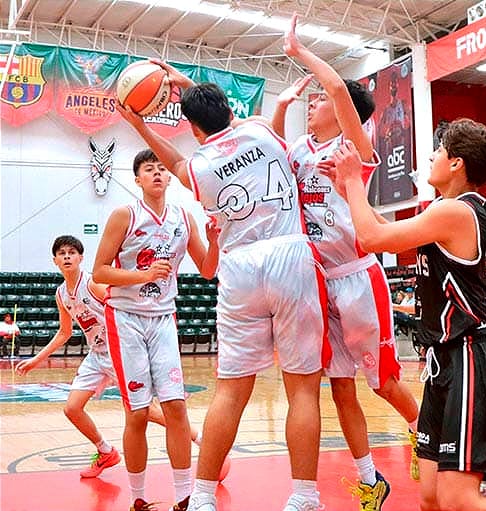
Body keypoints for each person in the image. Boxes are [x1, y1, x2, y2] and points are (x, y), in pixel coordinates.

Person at [119, 63, 329, 511]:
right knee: (303, 390)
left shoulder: (197, 166)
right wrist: (190, 85)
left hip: (240, 268)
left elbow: (174, 160)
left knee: (232, 390)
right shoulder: (260, 130)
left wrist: (139, 124)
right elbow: (223, 117)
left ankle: (202, 497)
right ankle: (304, 497)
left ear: (193, 129)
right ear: (227, 109)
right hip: (289, 255)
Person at [328, 119, 486, 511]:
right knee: (431, 498)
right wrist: (348, 193)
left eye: (437, 152)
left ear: (456, 164)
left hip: (471, 357)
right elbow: (382, 229)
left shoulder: (456, 211)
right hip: (445, 361)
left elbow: (371, 240)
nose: (431, 158)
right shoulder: (442, 210)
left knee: (457, 498)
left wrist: (353, 182)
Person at [282, 15, 419, 509]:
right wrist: (278, 106)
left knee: (382, 381)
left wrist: (299, 51)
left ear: (343, 114)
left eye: (318, 100)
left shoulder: (354, 147)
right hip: (319, 283)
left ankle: (426, 435)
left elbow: (339, 89)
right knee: (340, 388)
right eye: (311, 99)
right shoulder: (298, 150)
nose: (312, 102)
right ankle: (370, 479)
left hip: (359, 278)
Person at [15, 235, 226, 483]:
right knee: (72, 408)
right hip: (96, 355)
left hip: (120, 351)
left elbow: (124, 305)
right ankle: (106, 452)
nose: (67, 257)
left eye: (72, 252)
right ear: (55, 261)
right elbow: (64, 333)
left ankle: (200, 440)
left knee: (148, 412)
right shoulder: (61, 295)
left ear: (81, 258)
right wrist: (35, 360)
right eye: (62, 254)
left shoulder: (92, 284)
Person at [92, 150, 220, 511]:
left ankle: (184, 496)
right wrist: (143, 276)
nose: (158, 174)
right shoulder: (125, 215)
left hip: (164, 317)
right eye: (149, 170)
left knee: (176, 409)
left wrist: (216, 240)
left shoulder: (183, 217)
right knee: (136, 413)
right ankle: (138, 498)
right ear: (138, 179)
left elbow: (208, 270)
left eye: (162, 169)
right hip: (126, 317)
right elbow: (100, 271)